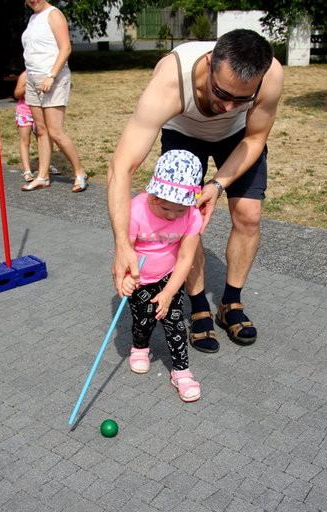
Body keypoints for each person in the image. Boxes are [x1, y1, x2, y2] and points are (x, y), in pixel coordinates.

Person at [107, 29, 284, 353]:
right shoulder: (171, 80)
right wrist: (122, 244)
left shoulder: (270, 75)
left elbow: (255, 138)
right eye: (222, 93)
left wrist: (217, 185)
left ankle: (230, 302)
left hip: (239, 138)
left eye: (241, 99)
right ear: (208, 63)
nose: (229, 105)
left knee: (249, 215)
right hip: (184, 132)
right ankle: (199, 303)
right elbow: (121, 168)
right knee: (185, 220)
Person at [122, 150, 203, 402]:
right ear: (153, 193)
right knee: (143, 319)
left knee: (174, 321)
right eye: (166, 207)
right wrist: (126, 275)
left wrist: (168, 293)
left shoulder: (192, 215)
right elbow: (125, 249)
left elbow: (186, 258)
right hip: (139, 277)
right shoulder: (135, 210)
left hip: (170, 276)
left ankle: (181, 371)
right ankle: (140, 347)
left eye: (180, 210)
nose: (172, 216)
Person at [20, 0, 87, 193]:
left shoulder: (54, 14)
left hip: (52, 77)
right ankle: (43, 176)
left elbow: (65, 48)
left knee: (55, 131)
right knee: (40, 129)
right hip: (32, 77)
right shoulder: (33, 18)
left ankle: (80, 172)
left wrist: (51, 75)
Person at [13, 70, 58, 182]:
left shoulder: (47, 74)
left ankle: (46, 165)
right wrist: (29, 85)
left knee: (44, 139)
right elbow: (17, 94)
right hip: (25, 112)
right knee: (25, 141)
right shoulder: (25, 75)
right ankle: (27, 171)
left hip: (42, 111)